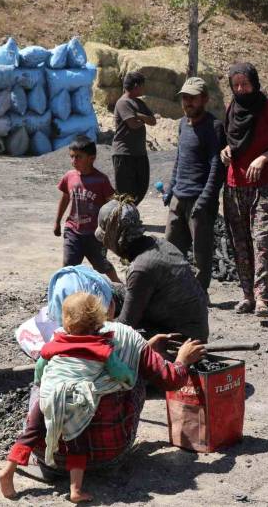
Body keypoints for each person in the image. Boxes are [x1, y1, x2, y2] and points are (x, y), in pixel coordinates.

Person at [0, 311, 206, 500]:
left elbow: (39, 373)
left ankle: (10, 470)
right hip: (102, 450)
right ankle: (76, 489)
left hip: (50, 407)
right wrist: (181, 360)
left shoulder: (55, 339)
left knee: (31, 430)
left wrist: (45, 386)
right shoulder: (107, 346)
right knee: (76, 439)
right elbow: (137, 376)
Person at [219, 63, 268, 318]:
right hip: (235, 185)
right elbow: (230, 140)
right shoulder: (231, 109)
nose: (241, 89)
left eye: (245, 84)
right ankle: (247, 295)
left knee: (262, 241)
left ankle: (262, 298)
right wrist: (225, 151)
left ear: (255, 83)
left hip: (264, 185)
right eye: (236, 85)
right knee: (240, 243)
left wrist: (263, 159)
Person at [95, 197, 210, 342]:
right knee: (109, 289)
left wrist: (96, 329)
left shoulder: (141, 268)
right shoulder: (158, 243)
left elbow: (126, 324)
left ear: (115, 237)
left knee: (113, 335)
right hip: (193, 326)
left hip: (183, 338)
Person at [164, 77, 226, 291]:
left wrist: (205, 200)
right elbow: (179, 159)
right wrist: (171, 189)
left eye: (193, 98)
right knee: (170, 249)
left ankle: (200, 295)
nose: (188, 102)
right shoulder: (182, 124)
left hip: (200, 200)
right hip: (178, 198)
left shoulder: (214, 127)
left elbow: (217, 167)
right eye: (185, 98)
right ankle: (172, 291)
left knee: (201, 253)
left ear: (205, 99)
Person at [54, 135, 120, 283]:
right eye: (72, 157)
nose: (73, 161)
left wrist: (111, 230)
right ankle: (65, 292)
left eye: (78, 157)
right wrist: (57, 221)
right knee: (68, 266)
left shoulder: (101, 180)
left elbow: (112, 205)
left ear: (91, 158)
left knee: (101, 265)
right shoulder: (69, 177)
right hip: (73, 230)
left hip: (95, 235)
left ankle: (119, 286)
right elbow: (65, 198)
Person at [112, 72, 156, 205]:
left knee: (141, 187)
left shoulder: (139, 103)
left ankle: (129, 216)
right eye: (142, 86)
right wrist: (142, 119)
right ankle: (122, 220)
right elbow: (133, 124)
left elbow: (153, 121)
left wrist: (139, 116)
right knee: (125, 192)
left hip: (139, 153)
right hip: (124, 153)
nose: (144, 89)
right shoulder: (123, 103)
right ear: (136, 86)